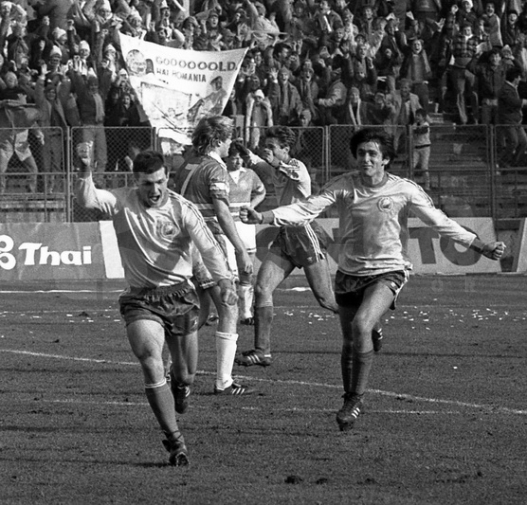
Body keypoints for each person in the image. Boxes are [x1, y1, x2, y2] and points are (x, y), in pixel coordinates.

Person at [240, 127, 506, 430]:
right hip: (350, 272)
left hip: (388, 270)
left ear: (386, 160)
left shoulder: (403, 189)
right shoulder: (343, 185)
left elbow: (439, 221)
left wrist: (480, 245)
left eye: (372, 154)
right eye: (361, 153)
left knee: (360, 324)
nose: (365, 158)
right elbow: (305, 209)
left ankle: (355, 399)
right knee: (349, 340)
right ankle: (348, 397)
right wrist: (263, 217)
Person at [75, 146, 238, 466]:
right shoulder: (122, 201)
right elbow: (89, 199)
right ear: (137, 181)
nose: (155, 189)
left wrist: (227, 283)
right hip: (140, 300)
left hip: (180, 296)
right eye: (147, 184)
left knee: (187, 374)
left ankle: (181, 386)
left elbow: (209, 248)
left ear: (167, 178)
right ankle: (175, 441)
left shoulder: (182, 208)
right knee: (151, 360)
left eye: (160, 182)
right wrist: (85, 171)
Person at [235, 125, 339, 368]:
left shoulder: (297, 166)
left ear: (286, 149)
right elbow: (255, 161)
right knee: (261, 288)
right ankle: (262, 351)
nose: (267, 151)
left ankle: (366, 323)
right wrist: (242, 147)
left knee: (326, 300)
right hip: (285, 236)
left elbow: (288, 171)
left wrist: (270, 161)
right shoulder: (272, 168)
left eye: (272, 147)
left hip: (305, 234)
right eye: (266, 146)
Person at [172, 115, 254, 395]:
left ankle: (178, 372)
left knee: (199, 311)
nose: (230, 144)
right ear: (218, 140)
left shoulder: (186, 165)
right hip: (207, 244)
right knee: (228, 307)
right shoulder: (215, 170)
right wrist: (241, 249)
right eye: (228, 139)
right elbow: (220, 211)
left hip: (183, 243)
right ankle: (224, 381)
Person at [225, 141, 267, 324]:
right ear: (226, 158)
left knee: (246, 270)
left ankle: (246, 313)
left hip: (245, 224)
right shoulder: (219, 174)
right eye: (233, 158)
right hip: (226, 226)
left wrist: (251, 206)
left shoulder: (250, 174)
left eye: (240, 158)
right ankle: (227, 312)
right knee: (229, 272)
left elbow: (262, 191)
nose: (237, 162)